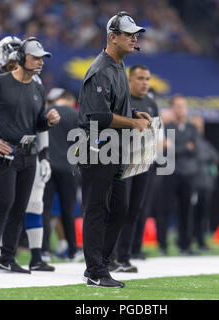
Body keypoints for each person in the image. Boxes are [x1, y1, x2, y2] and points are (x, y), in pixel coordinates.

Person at [0, 37, 59, 274]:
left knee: (19, 207)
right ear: (22, 58)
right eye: (36, 57)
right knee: (4, 203)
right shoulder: (0, 83)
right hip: (6, 153)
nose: (41, 62)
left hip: (29, 155)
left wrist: (49, 122)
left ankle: (7, 257)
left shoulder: (38, 87)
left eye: (43, 58)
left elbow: (37, 123)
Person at [78, 11, 149, 288]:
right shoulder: (101, 69)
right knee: (97, 208)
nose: (134, 38)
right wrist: (131, 122)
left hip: (114, 149)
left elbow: (111, 106)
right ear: (112, 37)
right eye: (129, 33)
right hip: (96, 147)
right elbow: (97, 115)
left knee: (120, 207)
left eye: (135, 34)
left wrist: (133, 113)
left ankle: (100, 264)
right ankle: (95, 271)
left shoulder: (118, 65)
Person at [110, 65, 159, 272]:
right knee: (118, 209)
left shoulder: (151, 103)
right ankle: (109, 256)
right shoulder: (122, 99)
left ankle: (124, 256)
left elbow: (154, 132)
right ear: (129, 80)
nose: (145, 82)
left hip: (143, 161)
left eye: (147, 78)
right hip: (121, 159)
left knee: (134, 210)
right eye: (140, 78)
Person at [42, 88, 82, 261]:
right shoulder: (75, 115)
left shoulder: (45, 112)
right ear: (69, 100)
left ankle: (43, 250)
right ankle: (72, 250)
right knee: (68, 210)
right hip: (68, 168)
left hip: (47, 166)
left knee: (45, 209)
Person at [158, 95, 199, 255]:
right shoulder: (166, 128)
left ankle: (185, 245)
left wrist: (175, 146)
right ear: (172, 109)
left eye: (184, 106)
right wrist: (184, 147)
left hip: (188, 174)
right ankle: (163, 246)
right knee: (164, 210)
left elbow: (195, 149)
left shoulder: (192, 128)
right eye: (178, 106)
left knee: (186, 210)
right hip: (169, 172)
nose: (181, 109)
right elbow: (164, 150)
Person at [190, 116, 219, 251]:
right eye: (197, 126)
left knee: (203, 215)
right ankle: (187, 241)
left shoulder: (204, 143)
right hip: (193, 183)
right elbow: (199, 157)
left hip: (206, 184)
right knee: (191, 214)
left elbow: (217, 157)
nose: (199, 128)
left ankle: (201, 241)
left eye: (201, 126)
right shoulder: (189, 141)